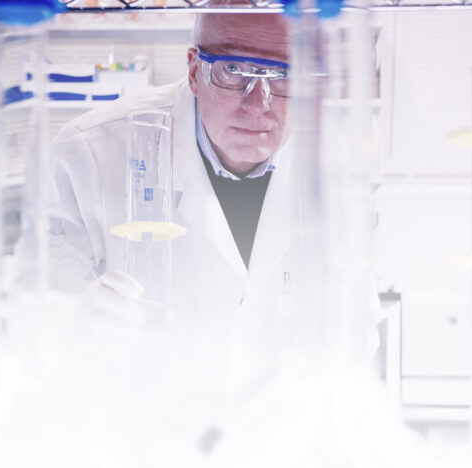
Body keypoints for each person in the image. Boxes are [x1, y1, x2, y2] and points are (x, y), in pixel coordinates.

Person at [46, 10, 302, 354]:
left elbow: (358, 313)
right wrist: (73, 322)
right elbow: (35, 311)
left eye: (284, 74)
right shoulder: (87, 152)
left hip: (288, 388)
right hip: (140, 386)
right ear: (194, 71)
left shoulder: (334, 156)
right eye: (233, 69)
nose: (258, 104)